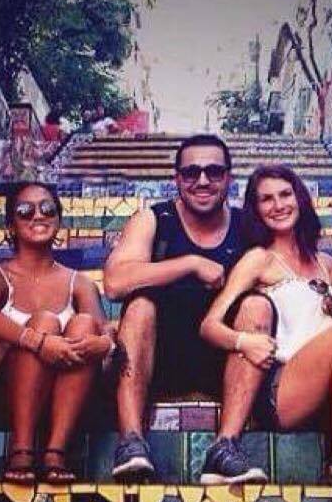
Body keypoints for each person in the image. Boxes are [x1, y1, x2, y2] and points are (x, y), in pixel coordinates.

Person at [198, 165, 332, 487]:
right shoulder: (259, 259)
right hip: (284, 389)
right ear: (256, 210)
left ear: (300, 199)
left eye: (285, 194)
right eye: (266, 199)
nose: (278, 205)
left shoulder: (327, 264)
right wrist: (243, 340)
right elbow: (209, 326)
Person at [103, 134, 256, 480]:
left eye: (214, 172)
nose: (202, 181)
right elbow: (114, 283)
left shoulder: (247, 224)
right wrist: (190, 263)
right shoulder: (155, 219)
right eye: (191, 173)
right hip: (158, 361)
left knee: (257, 306)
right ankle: (130, 440)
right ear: (177, 179)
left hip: (225, 362)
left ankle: (226, 446)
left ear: (229, 177)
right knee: (139, 306)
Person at [0, 181, 114, 483]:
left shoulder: (80, 283)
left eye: (47, 209)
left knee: (85, 324)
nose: (38, 216)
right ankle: (22, 448)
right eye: (25, 210)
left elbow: (105, 334)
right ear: (11, 222)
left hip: (70, 393)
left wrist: (102, 345)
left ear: (58, 219)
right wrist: (41, 342)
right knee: (45, 321)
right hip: (9, 391)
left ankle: (55, 451)